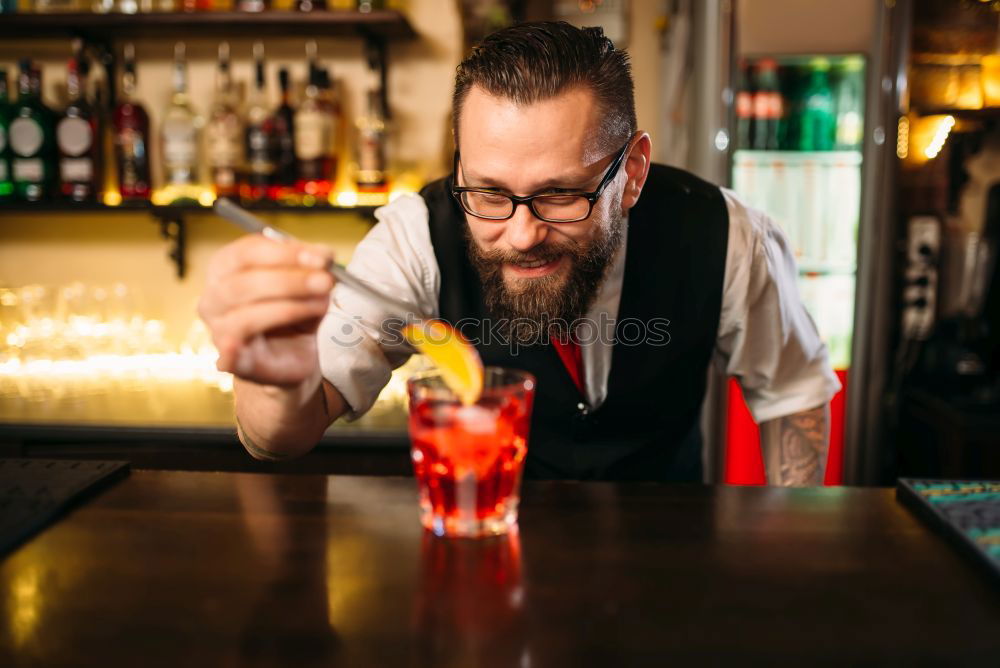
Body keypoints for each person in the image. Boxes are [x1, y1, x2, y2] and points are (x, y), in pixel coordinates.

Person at [197, 22, 841, 486]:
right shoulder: (416, 234)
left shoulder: (728, 235)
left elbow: (791, 393)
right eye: (490, 192)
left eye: (561, 195)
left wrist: (781, 559)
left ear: (634, 172)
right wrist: (273, 379)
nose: (523, 233)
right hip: (486, 545)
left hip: (668, 556)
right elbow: (280, 440)